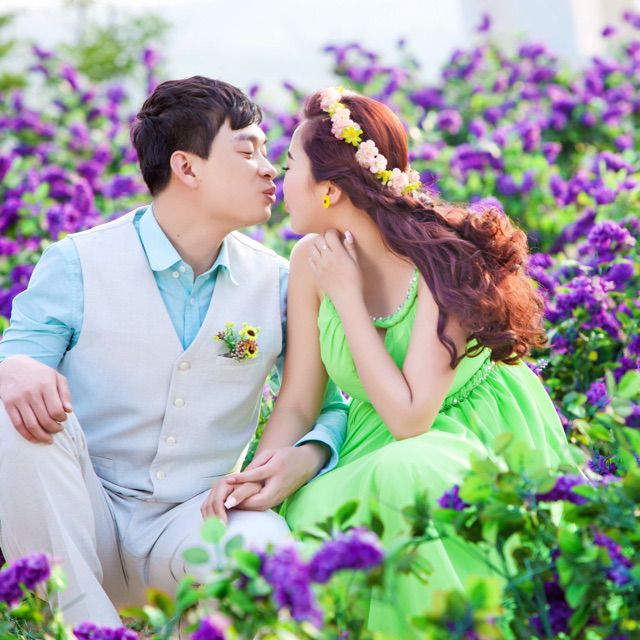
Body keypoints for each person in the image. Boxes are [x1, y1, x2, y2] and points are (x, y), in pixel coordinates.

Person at [223, 87, 576, 635]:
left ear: (330, 190)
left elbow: (412, 419)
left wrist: (347, 297)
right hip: (369, 446)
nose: (278, 178)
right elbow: (296, 402)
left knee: (408, 478)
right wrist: (256, 479)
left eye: (290, 166)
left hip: (466, 435)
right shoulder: (310, 259)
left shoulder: (444, 258)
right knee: (319, 520)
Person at [0, 77, 347, 627]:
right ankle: (91, 628)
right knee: (9, 410)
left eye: (267, 153)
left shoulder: (278, 281)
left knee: (265, 548)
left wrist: (307, 456)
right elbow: (19, 359)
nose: (269, 169)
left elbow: (327, 403)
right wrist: (13, 367)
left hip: (195, 522)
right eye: (247, 152)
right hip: (83, 521)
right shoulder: (77, 263)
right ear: (186, 168)